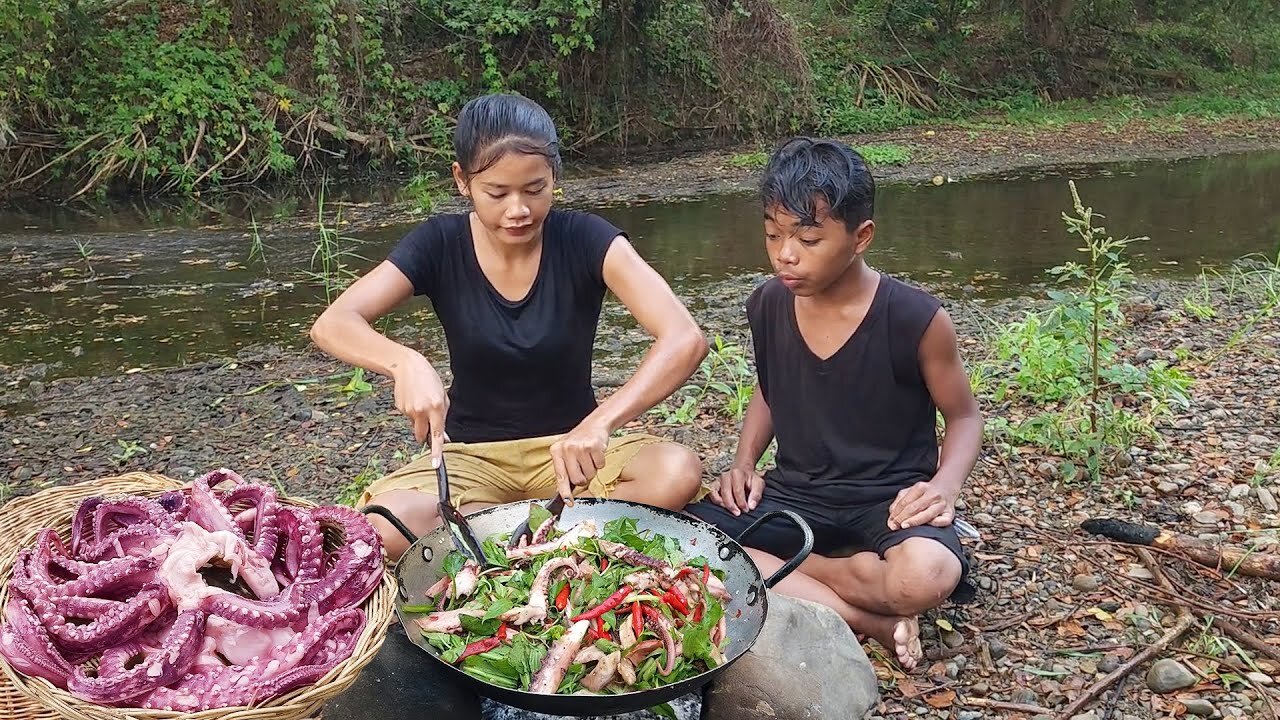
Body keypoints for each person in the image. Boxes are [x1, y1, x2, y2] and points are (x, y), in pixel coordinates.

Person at [310, 93, 709, 561]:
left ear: (555, 178)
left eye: (534, 189)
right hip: (470, 458)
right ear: (463, 181)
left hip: (571, 453)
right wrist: (405, 362)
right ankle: (548, 535)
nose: (517, 209)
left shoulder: (586, 238)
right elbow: (333, 322)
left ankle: (504, 540)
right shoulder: (439, 244)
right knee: (383, 522)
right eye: (497, 193)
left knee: (676, 471)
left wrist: (599, 424)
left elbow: (685, 338)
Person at [684, 137, 982, 670]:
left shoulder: (914, 318)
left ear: (860, 236)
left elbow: (964, 417)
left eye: (809, 238)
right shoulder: (770, 302)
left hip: (888, 498)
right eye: (773, 235)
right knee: (688, 540)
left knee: (925, 576)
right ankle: (864, 616)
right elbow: (772, 385)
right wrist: (744, 462)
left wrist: (942, 489)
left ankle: (805, 571)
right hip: (797, 492)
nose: (785, 255)